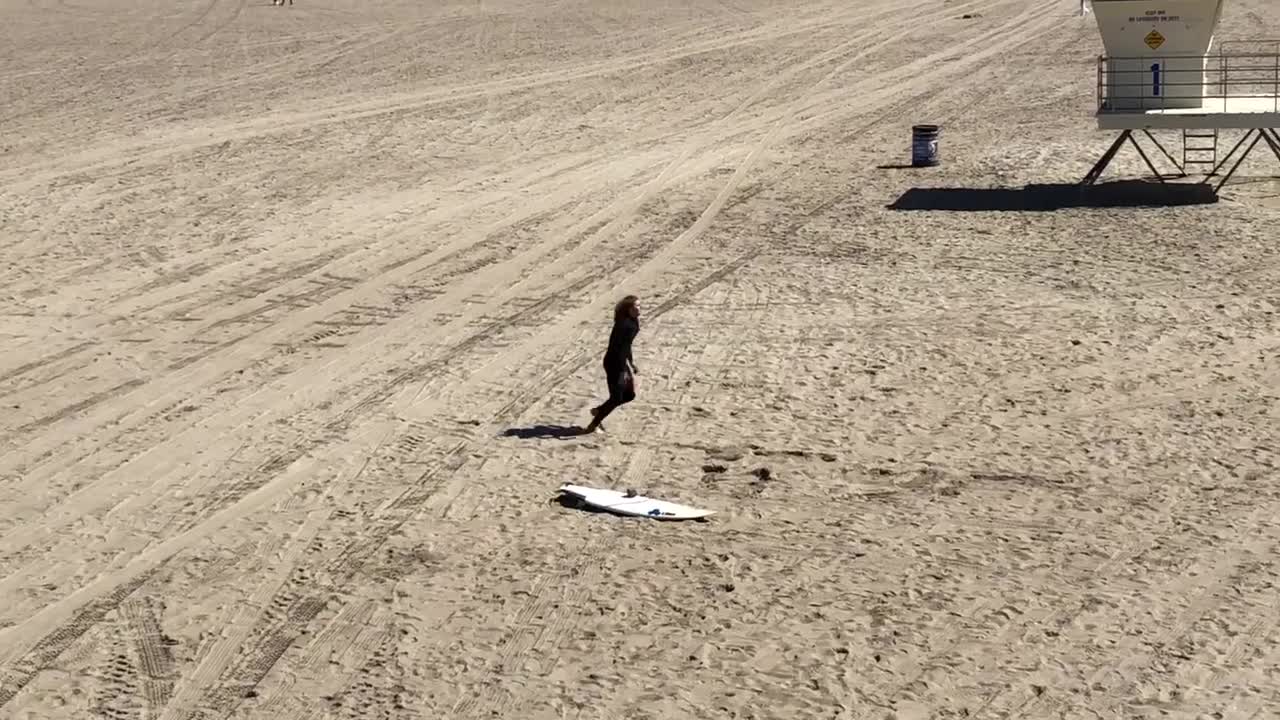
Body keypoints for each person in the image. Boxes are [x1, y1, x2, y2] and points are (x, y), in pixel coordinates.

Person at [584, 295, 640, 434]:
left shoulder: (633, 321)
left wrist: (631, 364)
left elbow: (627, 345)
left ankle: (599, 411)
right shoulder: (624, 324)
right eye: (636, 306)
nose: (639, 309)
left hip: (620, 362)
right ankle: (594, 425)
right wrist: (622, 370)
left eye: (639, 305)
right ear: (628, 309)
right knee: (616, 398)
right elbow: (617, 347)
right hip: (614, 363)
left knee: (629, 395)